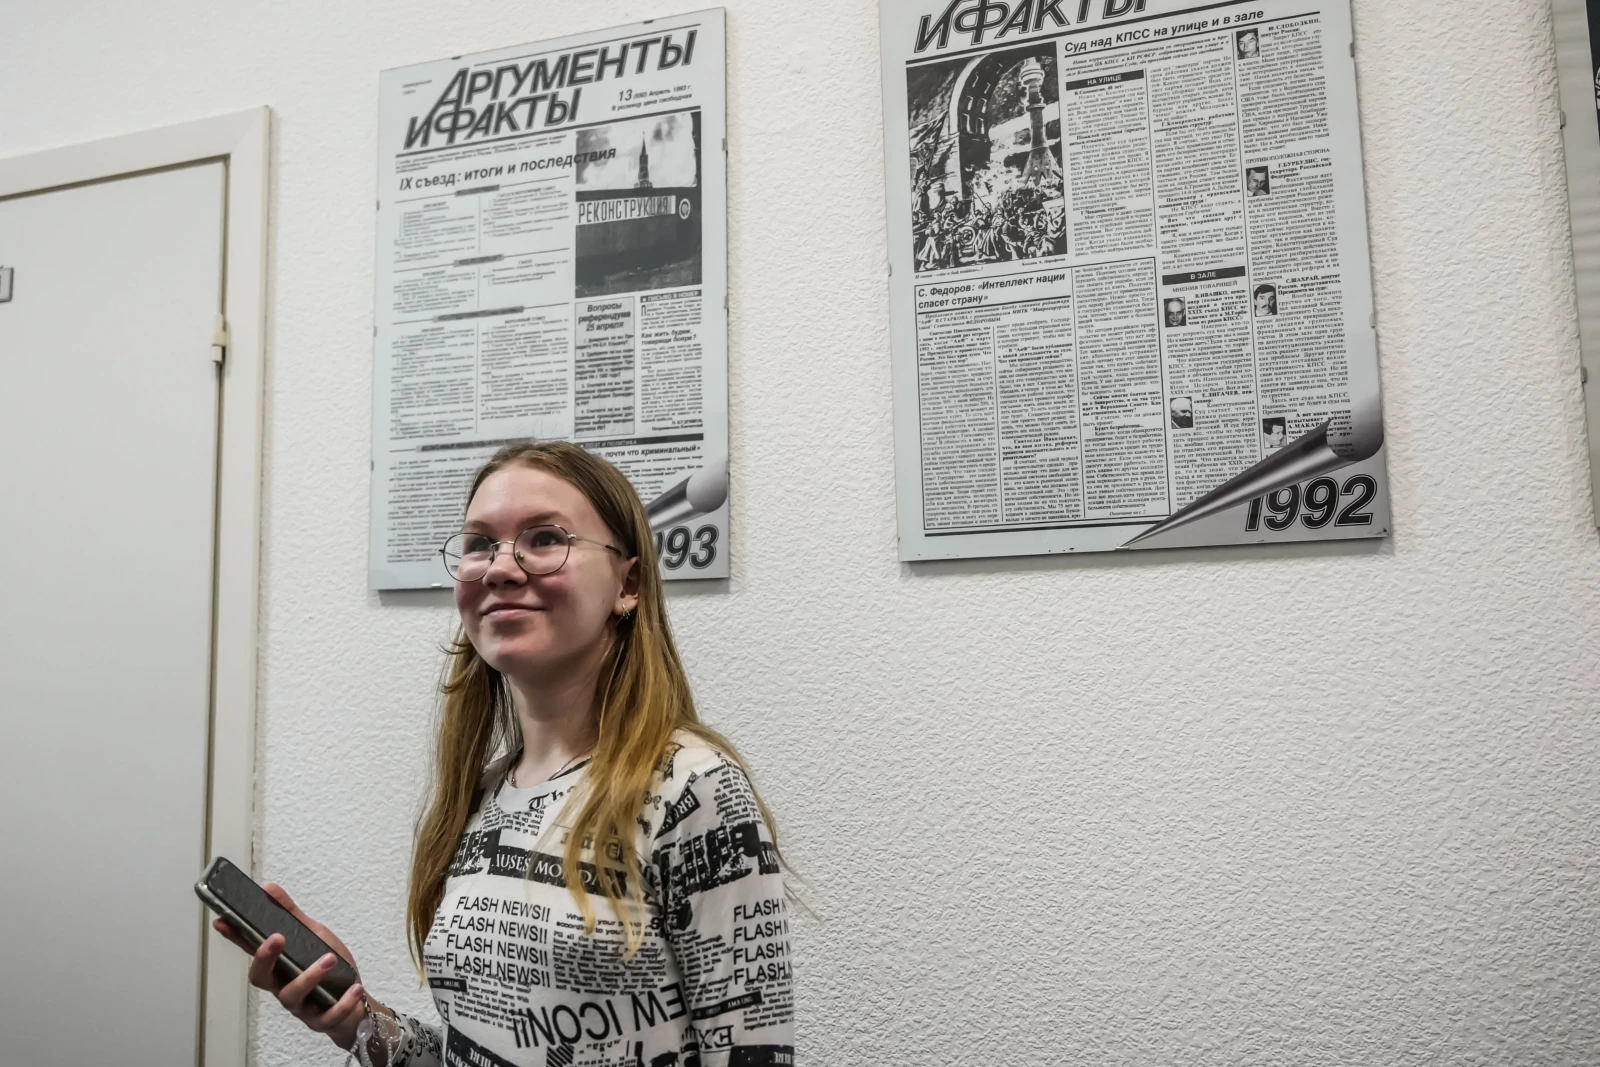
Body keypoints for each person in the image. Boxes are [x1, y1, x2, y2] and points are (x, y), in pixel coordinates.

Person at [214, 441, 794, 1066]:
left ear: (627, 583)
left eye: (545, 538)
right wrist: (354, 1018)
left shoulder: (693, 790)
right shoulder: (486, 795)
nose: (499, 568)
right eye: (478, 544)